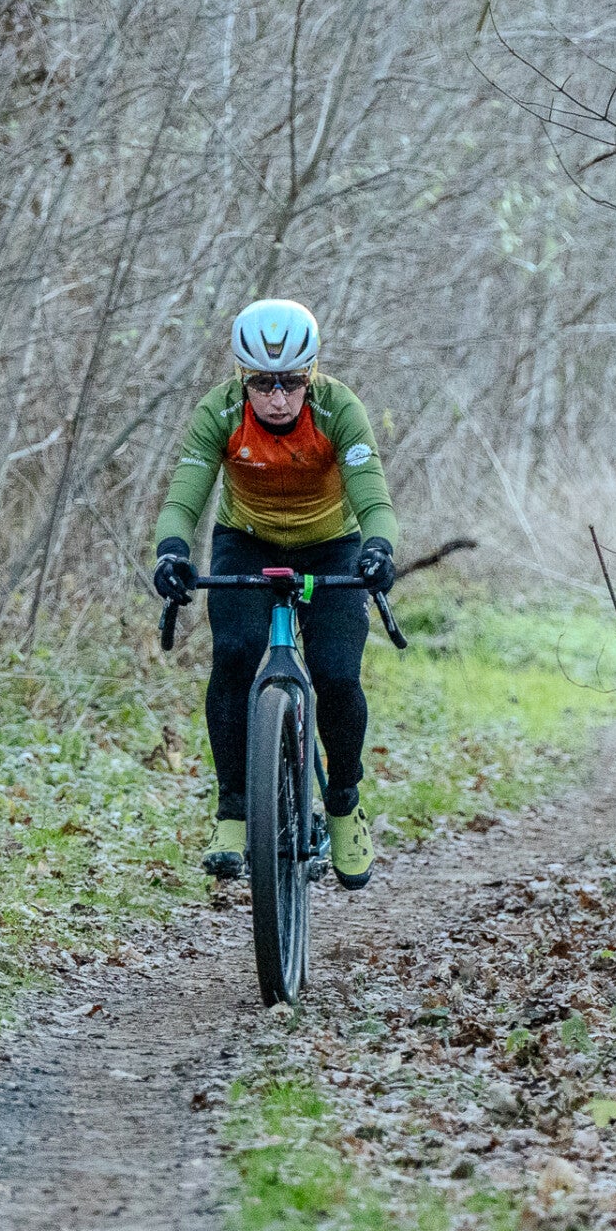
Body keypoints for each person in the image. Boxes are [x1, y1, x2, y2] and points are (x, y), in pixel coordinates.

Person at [150, 299, 398, 890]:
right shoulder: (219, 412)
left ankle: (343, 803)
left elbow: (373, 496)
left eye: (291, 382)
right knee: (235, 655)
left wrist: (379, 548)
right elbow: (184, 495)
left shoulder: (339, 409)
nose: (278, 398)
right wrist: (171, 552)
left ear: (311, 375)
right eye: (263, 383)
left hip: (332, 545)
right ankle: (234, 812)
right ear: (243, 378)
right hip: (248, 541)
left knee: (337, 674)